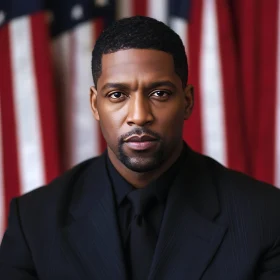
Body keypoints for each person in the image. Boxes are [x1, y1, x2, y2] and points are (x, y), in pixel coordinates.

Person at [0, 15, 280, 280]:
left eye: (159, 93)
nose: (139, 115)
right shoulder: (34, 221)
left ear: (187, 101)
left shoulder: (265, 216)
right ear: (95, 104)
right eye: (117, 95)